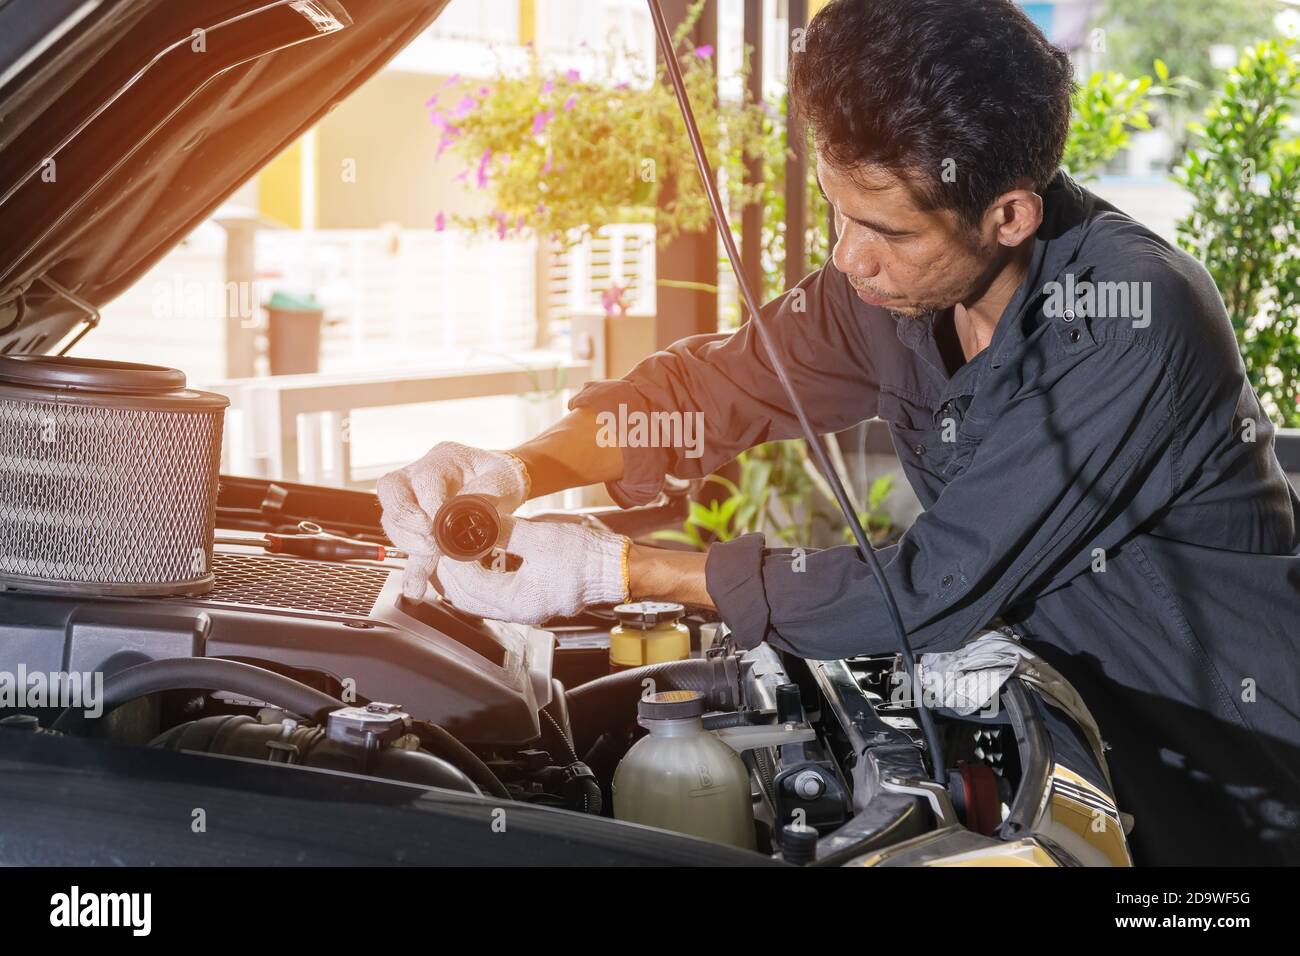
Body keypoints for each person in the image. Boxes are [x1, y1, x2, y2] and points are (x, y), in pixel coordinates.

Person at [379, 0, 1300, 865]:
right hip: (1064, 750)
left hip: (1235, 787)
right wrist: (513, 470)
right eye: (835, 210)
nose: (844, 257)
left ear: (1008, 214)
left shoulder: (1131, 316)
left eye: (883, 230)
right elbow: (707, 391)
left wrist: (609, 569)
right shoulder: (888, 290)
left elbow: (933, 584)